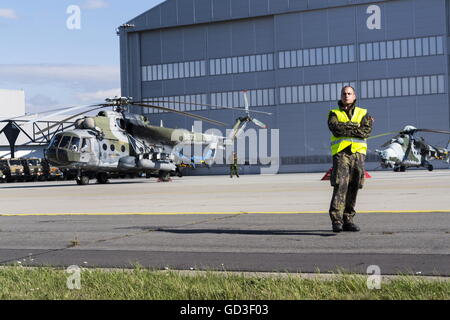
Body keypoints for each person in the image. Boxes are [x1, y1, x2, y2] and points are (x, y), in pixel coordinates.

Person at [328, 86, 373, 233]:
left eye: (349, 93)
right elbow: (336, 129)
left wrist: (346, 127)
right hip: (341, 154)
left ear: (354, 96)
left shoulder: (363, 113)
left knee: (354, 185)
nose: (346, 96)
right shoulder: (333, 113)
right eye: (344, 94)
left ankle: (348, 219)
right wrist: (355, 127)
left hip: (358, 154)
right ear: (341, 96)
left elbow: (365, 131)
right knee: (341, 185)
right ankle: (337, 220)